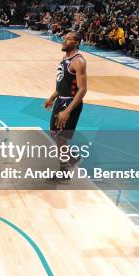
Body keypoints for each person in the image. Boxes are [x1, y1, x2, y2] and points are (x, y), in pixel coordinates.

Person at [44, 31, 88, 179]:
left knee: (61, 138)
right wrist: (51, 98)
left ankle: (63, 172)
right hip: (60, 99)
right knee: (55, 133)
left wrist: (68, 111)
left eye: (68, 39)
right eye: (64, 38)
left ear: (76, 42)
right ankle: (72, 158)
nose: (64, 41)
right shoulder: (65, 58)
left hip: (70, 102)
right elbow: (61, 83)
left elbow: (82, 90)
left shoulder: (78, 61)